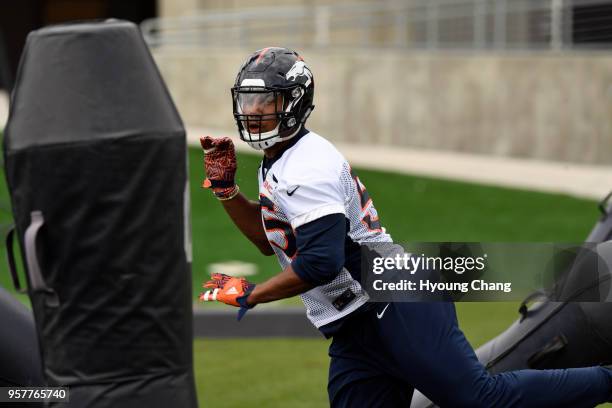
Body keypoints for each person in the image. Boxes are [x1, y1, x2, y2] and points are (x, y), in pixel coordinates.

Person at [198, 47, 612, 407]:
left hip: (394, 298)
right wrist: (226, 191)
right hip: (355, 323)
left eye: (265, 100)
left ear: (294, 102)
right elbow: (269, 242)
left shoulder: (306, 167)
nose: (252, 111)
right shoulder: (282, 159)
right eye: (249, 100)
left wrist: (252, 294)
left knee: (478, 397)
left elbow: (321, 262)